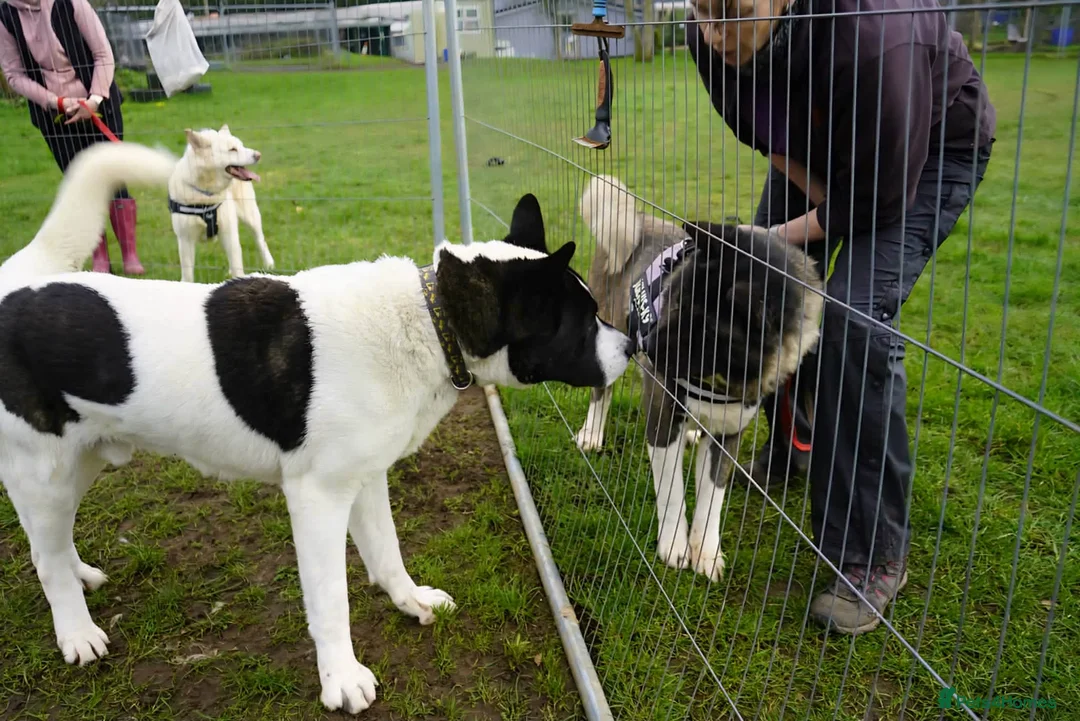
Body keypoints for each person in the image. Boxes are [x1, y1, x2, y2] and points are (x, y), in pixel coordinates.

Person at [687, 0, 995, 634]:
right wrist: (809, 214)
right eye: (703, 12)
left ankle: (872, 553)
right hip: (827, 150)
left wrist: (775, 234)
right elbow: (767, 136)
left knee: (855, 316)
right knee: (767, 285)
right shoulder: (706, 38)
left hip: (924, 151)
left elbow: (877, 194)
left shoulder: (875, 35)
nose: (715, 33)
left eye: (731, 13)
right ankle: (791, 448)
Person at [1, 0, 144, 274]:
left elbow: (103, 54)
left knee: (113, 175)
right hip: (54, 114)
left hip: (98, 103)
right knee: (79, 182)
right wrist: (55, 101)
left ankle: (130, 255)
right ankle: (100, 258)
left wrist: (94, 99)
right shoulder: (5, 15)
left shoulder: (72, 3)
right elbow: (14, 74)